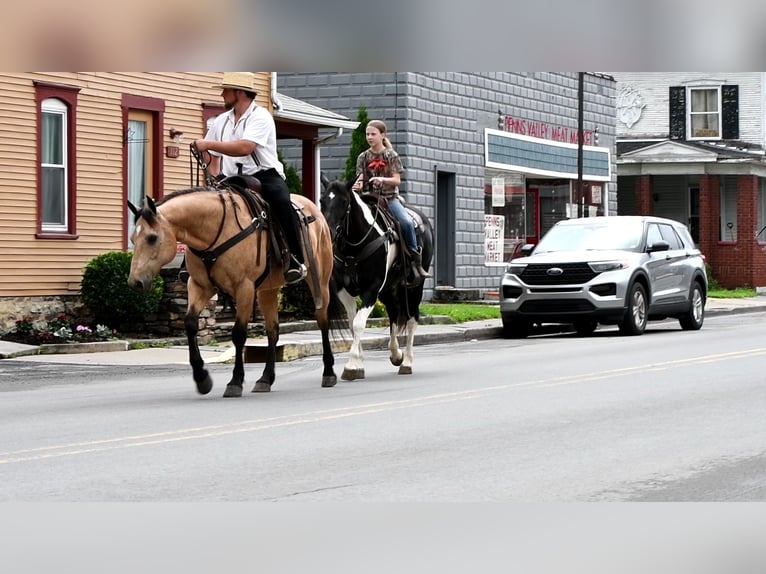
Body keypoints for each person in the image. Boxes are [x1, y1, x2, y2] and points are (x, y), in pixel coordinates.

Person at [192, 72, 306, 285]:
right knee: (205, 206)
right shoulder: (221, 121)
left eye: (226, 90)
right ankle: (193, 263)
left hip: (264, 176)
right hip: (231, 177)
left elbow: (245, 147)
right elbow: (211, 155)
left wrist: (208, 145)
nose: (223, 94)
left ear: (239, 92)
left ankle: (296, 260)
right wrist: (213, 174)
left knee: (282, 202)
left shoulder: (261, 116)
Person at [352, 120, 431, 279]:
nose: (369, 137)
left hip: (389, 199)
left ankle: (415, 261)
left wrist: (382, 180)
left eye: (373, 134)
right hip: (368, 198)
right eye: (367, 134)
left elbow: (397, 180)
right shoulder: (363, 157)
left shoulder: (391, 155)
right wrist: (355, 186)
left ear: (382, 135)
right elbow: (360, 180)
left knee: (407, 222)